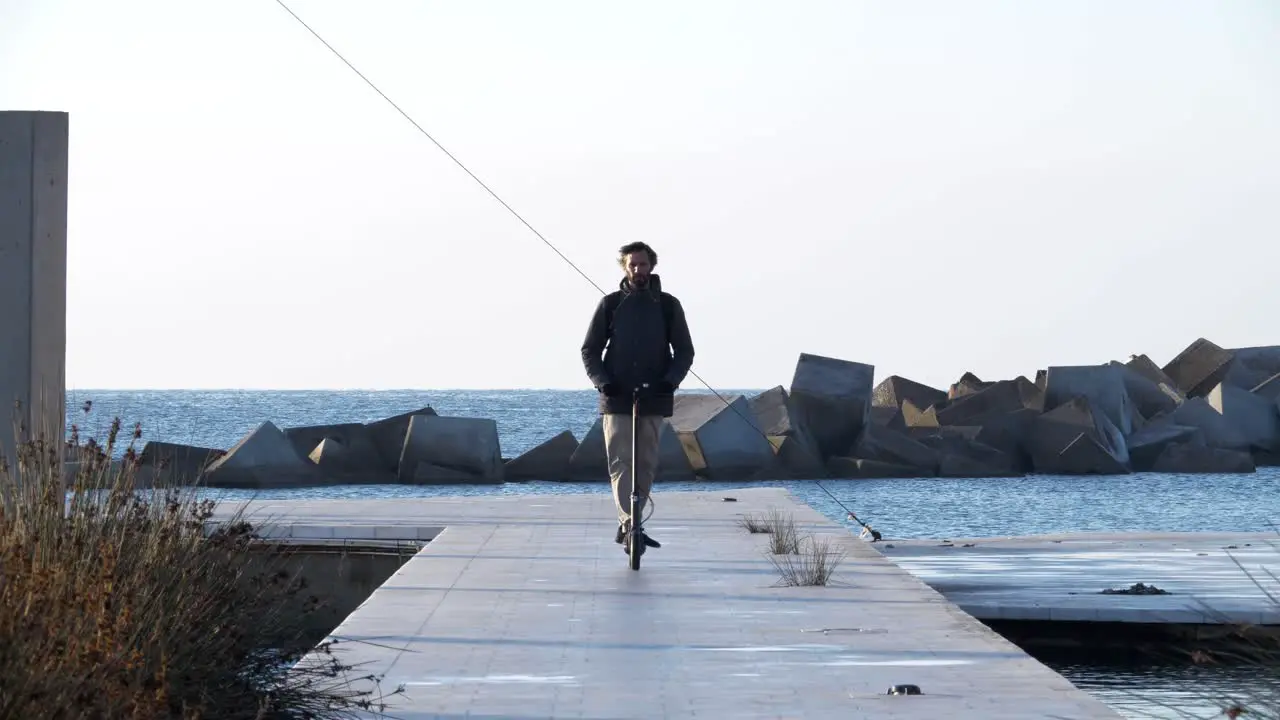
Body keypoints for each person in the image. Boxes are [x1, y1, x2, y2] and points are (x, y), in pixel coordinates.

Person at [580, 241, 695, 552]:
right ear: (624, 268)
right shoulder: (610, 304)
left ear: (651, 266)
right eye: (632, 265)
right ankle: (629, 524)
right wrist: (602, 382)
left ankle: (635, 522)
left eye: (643, 265)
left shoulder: (668, 305)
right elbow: (590, 350)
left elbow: (684, 351)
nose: (638, 270)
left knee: (645, 463)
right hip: (616, 397)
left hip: (654, 395)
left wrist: (670, 381)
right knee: (620, 462)